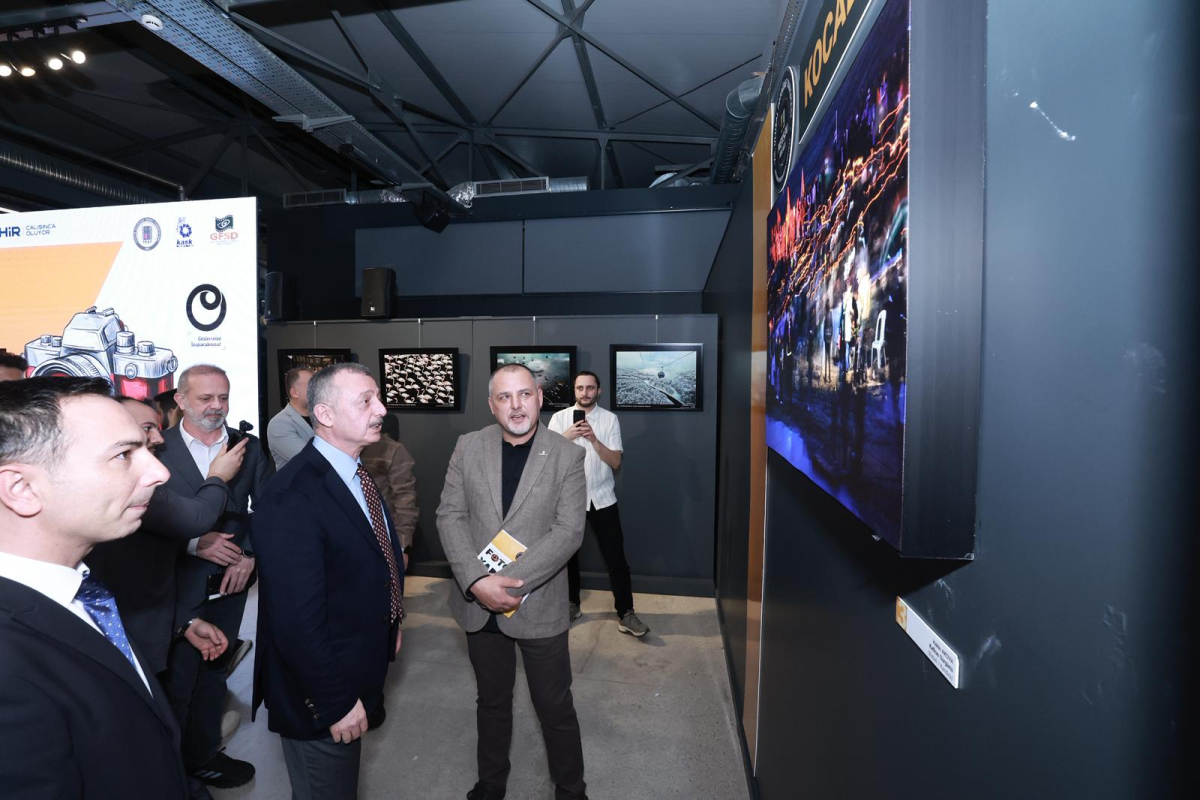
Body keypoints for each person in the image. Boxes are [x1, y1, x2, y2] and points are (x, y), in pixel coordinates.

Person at [0, 376, 187, 797]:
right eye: (123, 455)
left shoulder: (86, 591)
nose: (160, 472)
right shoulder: (8, 664)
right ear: (22, 489)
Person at [253, 362, 405, 799]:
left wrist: (391, 619)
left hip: (355, 666)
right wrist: (335, 702)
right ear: (325, 414)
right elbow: (294, 622)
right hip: (320, 695)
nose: (381, 409)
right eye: (366, 401)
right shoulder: (292, 495)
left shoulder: (354, 472)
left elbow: (372, 559)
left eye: (378, 398)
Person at [437, 363, 588, 800]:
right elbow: (450, 515)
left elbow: (568, 532)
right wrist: (475, 581)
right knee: (492, 701)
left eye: (524, 394)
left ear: (540, 398)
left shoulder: (567, 455)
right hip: (477, 604)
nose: (516, 405)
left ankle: (571, 790)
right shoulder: (468, 446)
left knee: (554, 706)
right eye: (504, 397)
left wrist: (503, 583)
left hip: (538, 602)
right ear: (492, 405)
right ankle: (491, 784)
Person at [158, 364, 273, 793]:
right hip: (174, 585)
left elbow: (269, 508)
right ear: (180, 400)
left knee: (214, 670)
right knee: (176, 679)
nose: (216, 406)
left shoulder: (248, 447)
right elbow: (141, 517)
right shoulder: (156, 448)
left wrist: (251, 556)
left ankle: (203, 754)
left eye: (222, 397)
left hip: (230, 583)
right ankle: (169, 767)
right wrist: (192, 543)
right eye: (205, 398)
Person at [88, 397, 244, 676]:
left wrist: (184, 622)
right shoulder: (124, 485)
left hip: (152, 631)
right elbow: (195, 518)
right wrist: (218, 477)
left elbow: (140, 567)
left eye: (224, 396)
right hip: (116, 654)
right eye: (147, 428)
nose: (159, 439)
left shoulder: (247, 444)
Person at [548, 371, 648, 637]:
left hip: (603, 499)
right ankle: (571, 605)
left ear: (598, 391)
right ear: (574, 390)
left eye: (590, 388)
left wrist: (593, 439)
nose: (585, 393)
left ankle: (626, 613)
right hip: (568, 501)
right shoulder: (559, 419)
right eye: (580, 388)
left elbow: (615, 462)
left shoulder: (609, 419)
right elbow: (545, 458)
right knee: (567, 559)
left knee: (616, 560)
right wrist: (567, 436)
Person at [360, 413, 419, 569]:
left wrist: (401, 546)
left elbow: (404, 499)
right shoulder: (329, 448)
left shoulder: (391, 450)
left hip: (380, 539)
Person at [267, 367, 315, 469]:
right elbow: (310, 459)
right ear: (294, 393)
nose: (318, 388)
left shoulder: (322, 416)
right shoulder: (279, 424)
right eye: (312, 384)